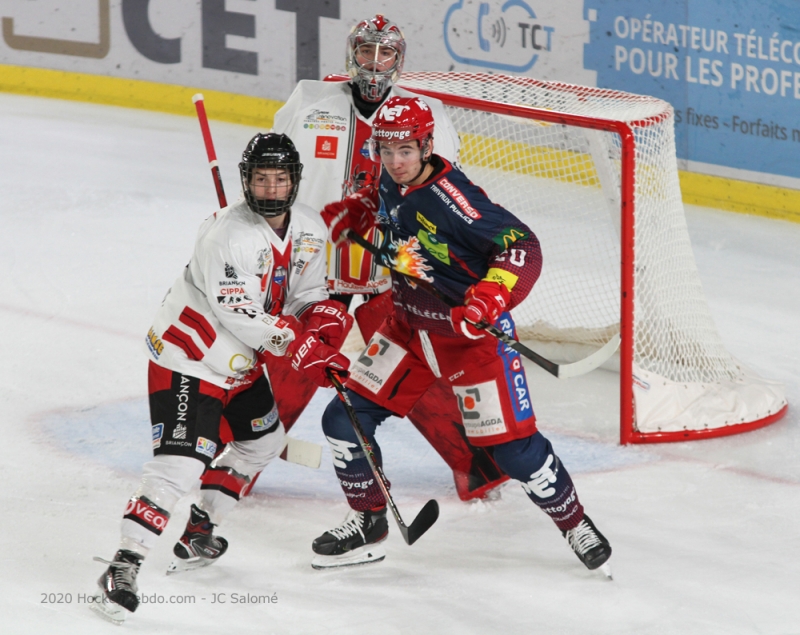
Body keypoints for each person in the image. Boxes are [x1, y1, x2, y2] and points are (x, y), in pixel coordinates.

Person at [310, 96, 613, 573]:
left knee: (513, 451)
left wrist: (490, 297)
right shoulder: (391, 180)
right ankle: (369, 519)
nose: (394, 162)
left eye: (405, 150)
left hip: (469, 340)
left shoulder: (456, 200)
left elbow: (522, 245)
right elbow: (389, 213)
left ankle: (574, 521)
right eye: (386, 151)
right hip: (407, 328)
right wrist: (358, 214)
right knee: (343, 420)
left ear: (427, 145)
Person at [89, 133, 353, 624]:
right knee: (179, 467)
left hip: (240, 364)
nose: (271, 189)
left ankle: (198, 532)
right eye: (260, 178)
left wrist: (324, 318)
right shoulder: (225, 235)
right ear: (246, 181)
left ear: (294, 180)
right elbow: (242, 313)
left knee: (263, 443)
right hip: (191, 359)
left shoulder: (311, 228)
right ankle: (123, 566)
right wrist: (302, 347)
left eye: (280, 178)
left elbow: (306, 293)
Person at [272, 13, 509, 501]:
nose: (374, 63)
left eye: (386, 53)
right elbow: (277, 175)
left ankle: (477, 466)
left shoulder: (426, 116)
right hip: (316, 268)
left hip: (391, 271)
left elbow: (443, 191)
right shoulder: (310, 102)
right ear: (350, 55)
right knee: (290, 361)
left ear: (400, 61)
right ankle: (235, 461)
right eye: (365, 51)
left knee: (415, 369)